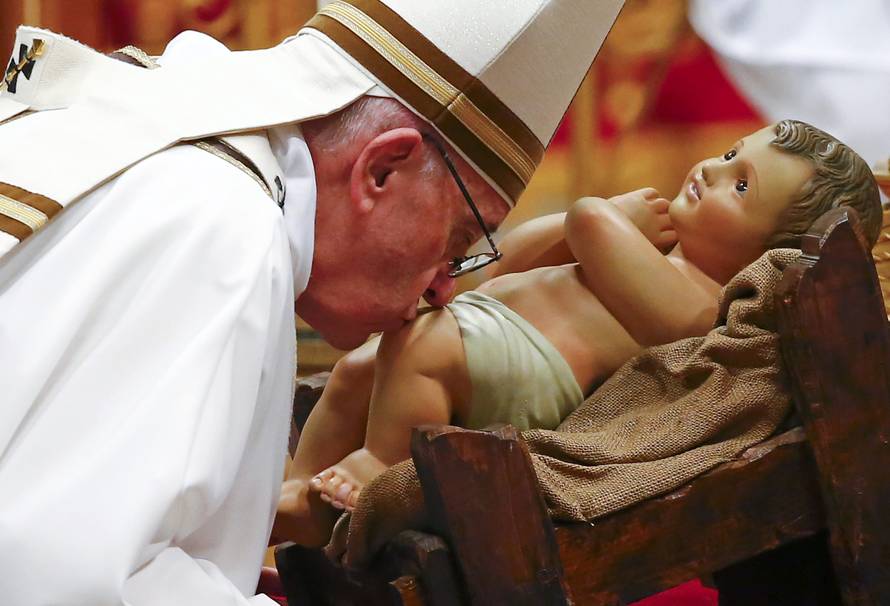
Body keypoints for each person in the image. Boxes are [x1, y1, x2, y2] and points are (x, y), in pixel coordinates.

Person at [0, 1, 625, 604]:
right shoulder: (223, 224)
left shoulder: (173, 146)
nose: (444, 287)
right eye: (461, 240)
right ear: (382, 169)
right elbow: (67, 579)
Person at [272, 119, 882, 547]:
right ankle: (298, 492)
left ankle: (382, 462)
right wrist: (579, 223)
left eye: (742, 186)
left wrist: (607, 214)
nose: (712, 173)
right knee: (361, 366)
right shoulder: (656, 245)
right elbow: (513, 253)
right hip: (479, 335)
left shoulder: (701, 304)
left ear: (766, 254)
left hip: (521, 377)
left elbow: (590, 223)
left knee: (419, 348)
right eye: (728, 155)